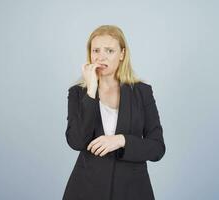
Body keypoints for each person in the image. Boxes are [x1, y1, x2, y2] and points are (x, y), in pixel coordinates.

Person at [63, 25, 165, 200]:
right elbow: (76, 141)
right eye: (96, 50)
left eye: (109, 50)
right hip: (86, 189)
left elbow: (157, 148)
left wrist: (121, 140)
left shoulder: (142, 92)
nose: (101, 56)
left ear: (122, 54)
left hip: (132, 190)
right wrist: (91, 91)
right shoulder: (78, 93)